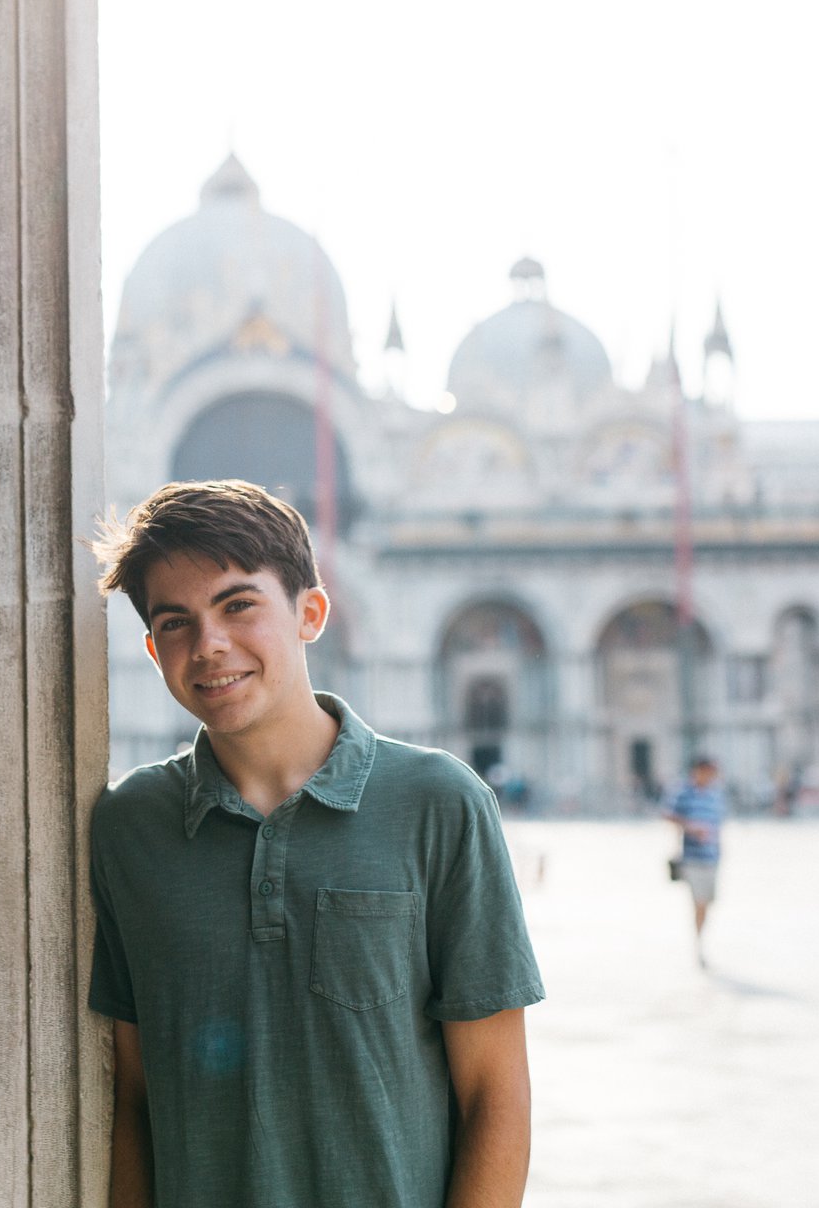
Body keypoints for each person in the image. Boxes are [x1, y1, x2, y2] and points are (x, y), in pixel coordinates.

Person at [88, 480, 544, 1208]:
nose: (209, 645)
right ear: (152, 649)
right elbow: (134, 1100)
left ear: (311, 612)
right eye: (176, 622)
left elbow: (495, 1096)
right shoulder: (127, 826)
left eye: (239, 605)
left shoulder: (440, 804)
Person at [664, 756, 726, 965]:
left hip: (712, 857)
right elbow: (667, 814)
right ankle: (699, 944)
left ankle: (700, 937)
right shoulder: (683, 792)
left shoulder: (715, 795)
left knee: (707, 903)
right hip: (692, 857)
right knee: (699, 901)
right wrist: (691, 826)